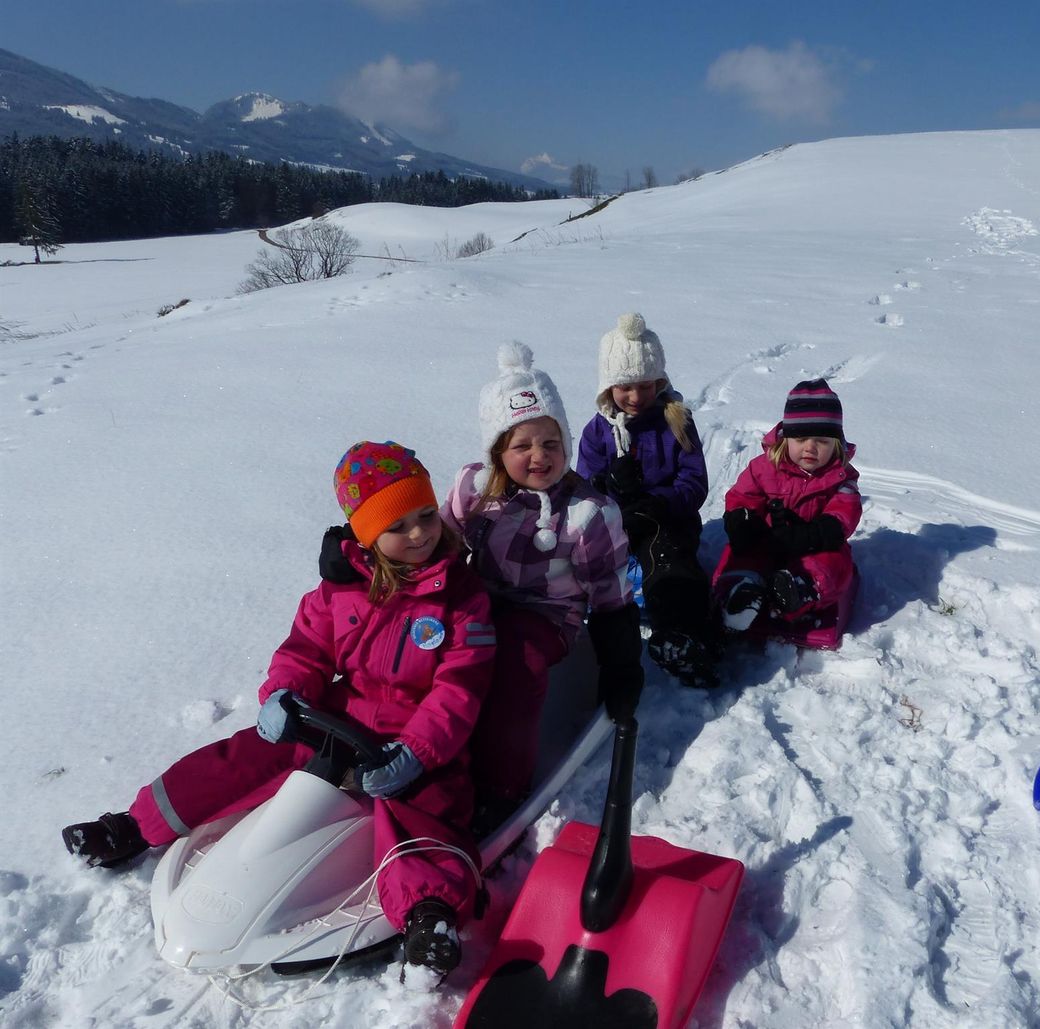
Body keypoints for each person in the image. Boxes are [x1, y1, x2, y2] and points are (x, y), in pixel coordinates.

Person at [61, 441, 495, 982]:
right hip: (340, 716)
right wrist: (284, 694)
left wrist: (417, 752)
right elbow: (307, 649)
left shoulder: (461, 597)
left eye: (426, 515)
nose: (419, 534)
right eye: (398, 525)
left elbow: (460, 688)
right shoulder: (342, 590)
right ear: (365, 535)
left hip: (414, 736)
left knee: (423, 807)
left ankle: (427, 914)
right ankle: (133, 825)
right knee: (239, 759)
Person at [438, 341, 643, 830]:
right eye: (522, 445)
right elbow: (438, 544)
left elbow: (611, 595)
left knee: (513, 659)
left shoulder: (587, 514)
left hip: (548, 617)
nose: (539, 456)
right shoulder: (474, 491)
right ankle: (425, 746)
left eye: (551, 443)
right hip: (480, 600)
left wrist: (621, 666)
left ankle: (502, 786)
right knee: (431, 640)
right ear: (496, 451)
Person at [576, 312, 717, 688]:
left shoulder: (676, 421)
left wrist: (662, 503)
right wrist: (606, 484)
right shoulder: (597, 432)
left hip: (665, 520)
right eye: (625, 387)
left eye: (646, 385)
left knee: (668, 559)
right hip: (614, 522)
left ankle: (682, 635)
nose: (636, 397)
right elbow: (583, 490)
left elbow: (694, 480)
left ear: (659, 381)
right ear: (608, 387)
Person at [713, 379, 861, 634]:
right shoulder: (763, 468)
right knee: (739, 554)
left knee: (836, 564)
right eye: (801, 438)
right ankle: (742, 594)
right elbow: (742, 497)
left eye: (822, 441)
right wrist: (743, 520)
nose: (810, 448)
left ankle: (797, 590)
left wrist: (813, 534)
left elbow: (844, 513)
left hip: (813, 547)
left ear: (836, 443)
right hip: (767, 540)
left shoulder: (841, 477)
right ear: (786, 438)